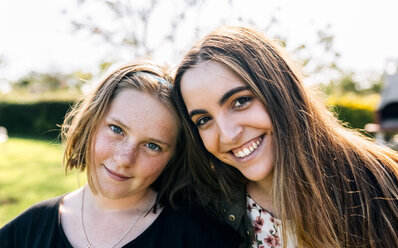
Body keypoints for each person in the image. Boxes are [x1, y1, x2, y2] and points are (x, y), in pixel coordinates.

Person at [172, 25, 398, 248]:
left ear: (281, 90)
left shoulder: (383, 182)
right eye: (203, 120)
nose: (228, 135)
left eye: (241, 101)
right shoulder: (205, 213)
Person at [0, 60, 242, 248]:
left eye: (152, 146)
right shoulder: (26, 231)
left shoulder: (200, 238)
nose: (125, 159)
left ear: (174, 157)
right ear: (91, 123)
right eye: (116, 130)